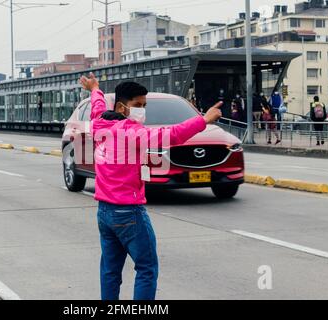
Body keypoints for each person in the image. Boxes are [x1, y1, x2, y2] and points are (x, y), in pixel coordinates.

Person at [79, 73, 222, 300]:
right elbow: (171, 135)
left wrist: (95, 88)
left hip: (104, 211)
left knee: (110, 270)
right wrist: (203, 120)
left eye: (144, 105)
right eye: (137, 105)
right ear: (121, 107)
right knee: (146, 268)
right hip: (129, 212)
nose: (142, 110)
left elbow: (98, 106)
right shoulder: (130, 132)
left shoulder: (99, 124)